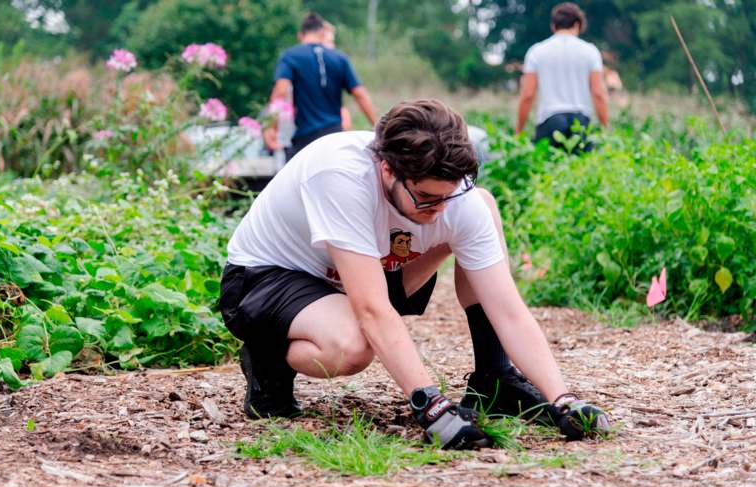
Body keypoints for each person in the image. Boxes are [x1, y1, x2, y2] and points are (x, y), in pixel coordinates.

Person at [220, 99, 610, 449]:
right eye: (426, 198)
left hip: (356, 271)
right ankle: (267, 358)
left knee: (483, 208)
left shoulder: (452, 197)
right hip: (267, 278)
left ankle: (496, 377)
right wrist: (431, 406)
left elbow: (509, 310)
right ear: (387, 169)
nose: (439, 208)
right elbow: (372, 310)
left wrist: (564, 400)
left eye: (449, 194)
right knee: (353, 346)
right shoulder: (339, 175)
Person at [263, 12, 377, 161]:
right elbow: (360, 94)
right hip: (335, 137)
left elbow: (280, 92)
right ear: (322, 32)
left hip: (306, 139)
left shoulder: (290, 56)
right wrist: (378, 127)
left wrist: (271, 127)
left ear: (300, 35)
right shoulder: (340, 57)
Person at [515, 2, 609, 149]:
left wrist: (518, 131)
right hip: (580, 124)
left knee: (546, 170)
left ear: (553, 25)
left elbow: (527, 94)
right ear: (578, 24)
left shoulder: (536, 51)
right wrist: (605, 129)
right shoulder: (590, 51)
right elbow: (598, 94)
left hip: (549, 122)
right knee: (581, 169)